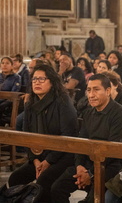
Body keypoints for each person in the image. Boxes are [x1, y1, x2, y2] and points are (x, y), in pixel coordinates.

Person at [51, 74, 122, 202]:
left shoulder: (121, 113)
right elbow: (82, 142)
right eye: (89, 90)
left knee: (92, 199)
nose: (91, 95)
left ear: (108, 91)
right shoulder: (89, 112)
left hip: (111, 166)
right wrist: (79, 166)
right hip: (89, 164)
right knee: (57, 188)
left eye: (96, 89)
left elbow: (113, 151)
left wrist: (91, 174)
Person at [8, 65, 78, 202]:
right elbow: (26, 135)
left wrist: (48, 161)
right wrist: (35, 160)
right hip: (38, 157)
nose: (37, 82)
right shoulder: (31, 103)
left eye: (41, 79)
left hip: (63, 156)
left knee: (44, 180)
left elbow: (68, 137)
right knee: (15, 178)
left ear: (52, 82)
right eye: (34, 79)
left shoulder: (63, 102)